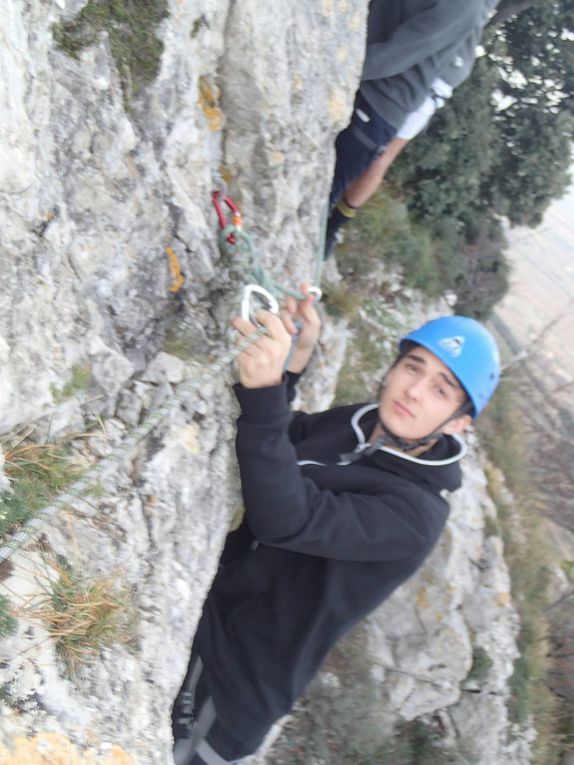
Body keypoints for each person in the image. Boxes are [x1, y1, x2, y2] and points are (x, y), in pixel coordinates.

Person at [171, 286, 501, 765]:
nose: (413, 391)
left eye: (441, 389)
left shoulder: (416, 515)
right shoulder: (364, 423)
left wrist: (263, 392)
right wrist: (295, 360)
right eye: (414, 367)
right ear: (394, 367)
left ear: (457, 424)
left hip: (234, 693)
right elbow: (284, 440)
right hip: (205, 620)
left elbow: (288, 518)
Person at [325, 0, 500, 258]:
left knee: (360, 170)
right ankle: (331, 228)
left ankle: (331, 228)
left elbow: (412, 45)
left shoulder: (468, 5)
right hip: (379, 87)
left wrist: (347, 69)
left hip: (384, 98)